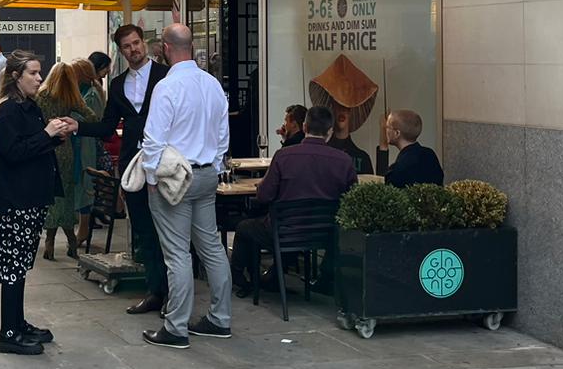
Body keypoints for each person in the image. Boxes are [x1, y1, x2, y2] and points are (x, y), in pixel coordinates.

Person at [139, 25, 233, 349]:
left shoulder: (167, 87)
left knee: (177, 253)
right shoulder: (212, 85)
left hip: (174, 177)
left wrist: (151, 178)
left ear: (166, 48)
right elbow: (223, 135)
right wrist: (216, 166)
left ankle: (176, 327)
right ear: (190, 46)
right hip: (207, 173)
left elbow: (153, 140)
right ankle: (220, 319)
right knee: (212, 248)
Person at [74, 24, 170, 316]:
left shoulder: (166, 76)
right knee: (142, 228)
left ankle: (174, 295)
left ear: (144, 42)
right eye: (127, 46)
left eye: (137, 43)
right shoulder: (116, 85)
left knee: (168, 229)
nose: (134, 49)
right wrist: (78, 126)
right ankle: (155, 291)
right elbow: (106, 127)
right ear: (121, 50)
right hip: (132, 164)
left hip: (166, 161)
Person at [0, 51, 76, 356]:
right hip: (16, 199)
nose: (39, 78)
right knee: (12, 265)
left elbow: (29, 145)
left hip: (29, 197)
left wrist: (53, 136)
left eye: (40, 72)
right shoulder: (8, 109)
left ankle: (17, 323)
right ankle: (8, 332)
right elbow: (12, 152)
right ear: (15, 76)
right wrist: (46, 135)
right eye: (33, 73)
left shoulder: (27, 106)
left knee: (20, 264)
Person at [230, 104, 358, 293]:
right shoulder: (344, 161)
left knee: (244, 227)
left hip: (283, 232)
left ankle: (242, 279)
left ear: (304, 128)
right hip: (325, 234)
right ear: (330, 131)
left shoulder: (284, 157)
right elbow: (351, 200)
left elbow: (264, 195)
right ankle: (299, 276)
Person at [37, 62, 89, 260]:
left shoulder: (42, 96)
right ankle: (71, 240)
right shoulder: (72, 96)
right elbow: (92, 117)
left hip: (47, 147)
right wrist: (71, 124)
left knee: (50, 193)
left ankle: (49, 241)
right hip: (65, 149)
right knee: (66, 194)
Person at [71, 58, 106, 250]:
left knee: (85, 184)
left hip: (85, 144)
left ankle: (84, 226)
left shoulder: (91, 95)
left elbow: (91, 120)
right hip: (79, 142)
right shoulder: (81, 92)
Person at [382, 109, 443, 187]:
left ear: (397, 133)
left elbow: (384, 187)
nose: (385, 130)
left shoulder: (399, 168)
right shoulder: (430, 155)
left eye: (387, 127)